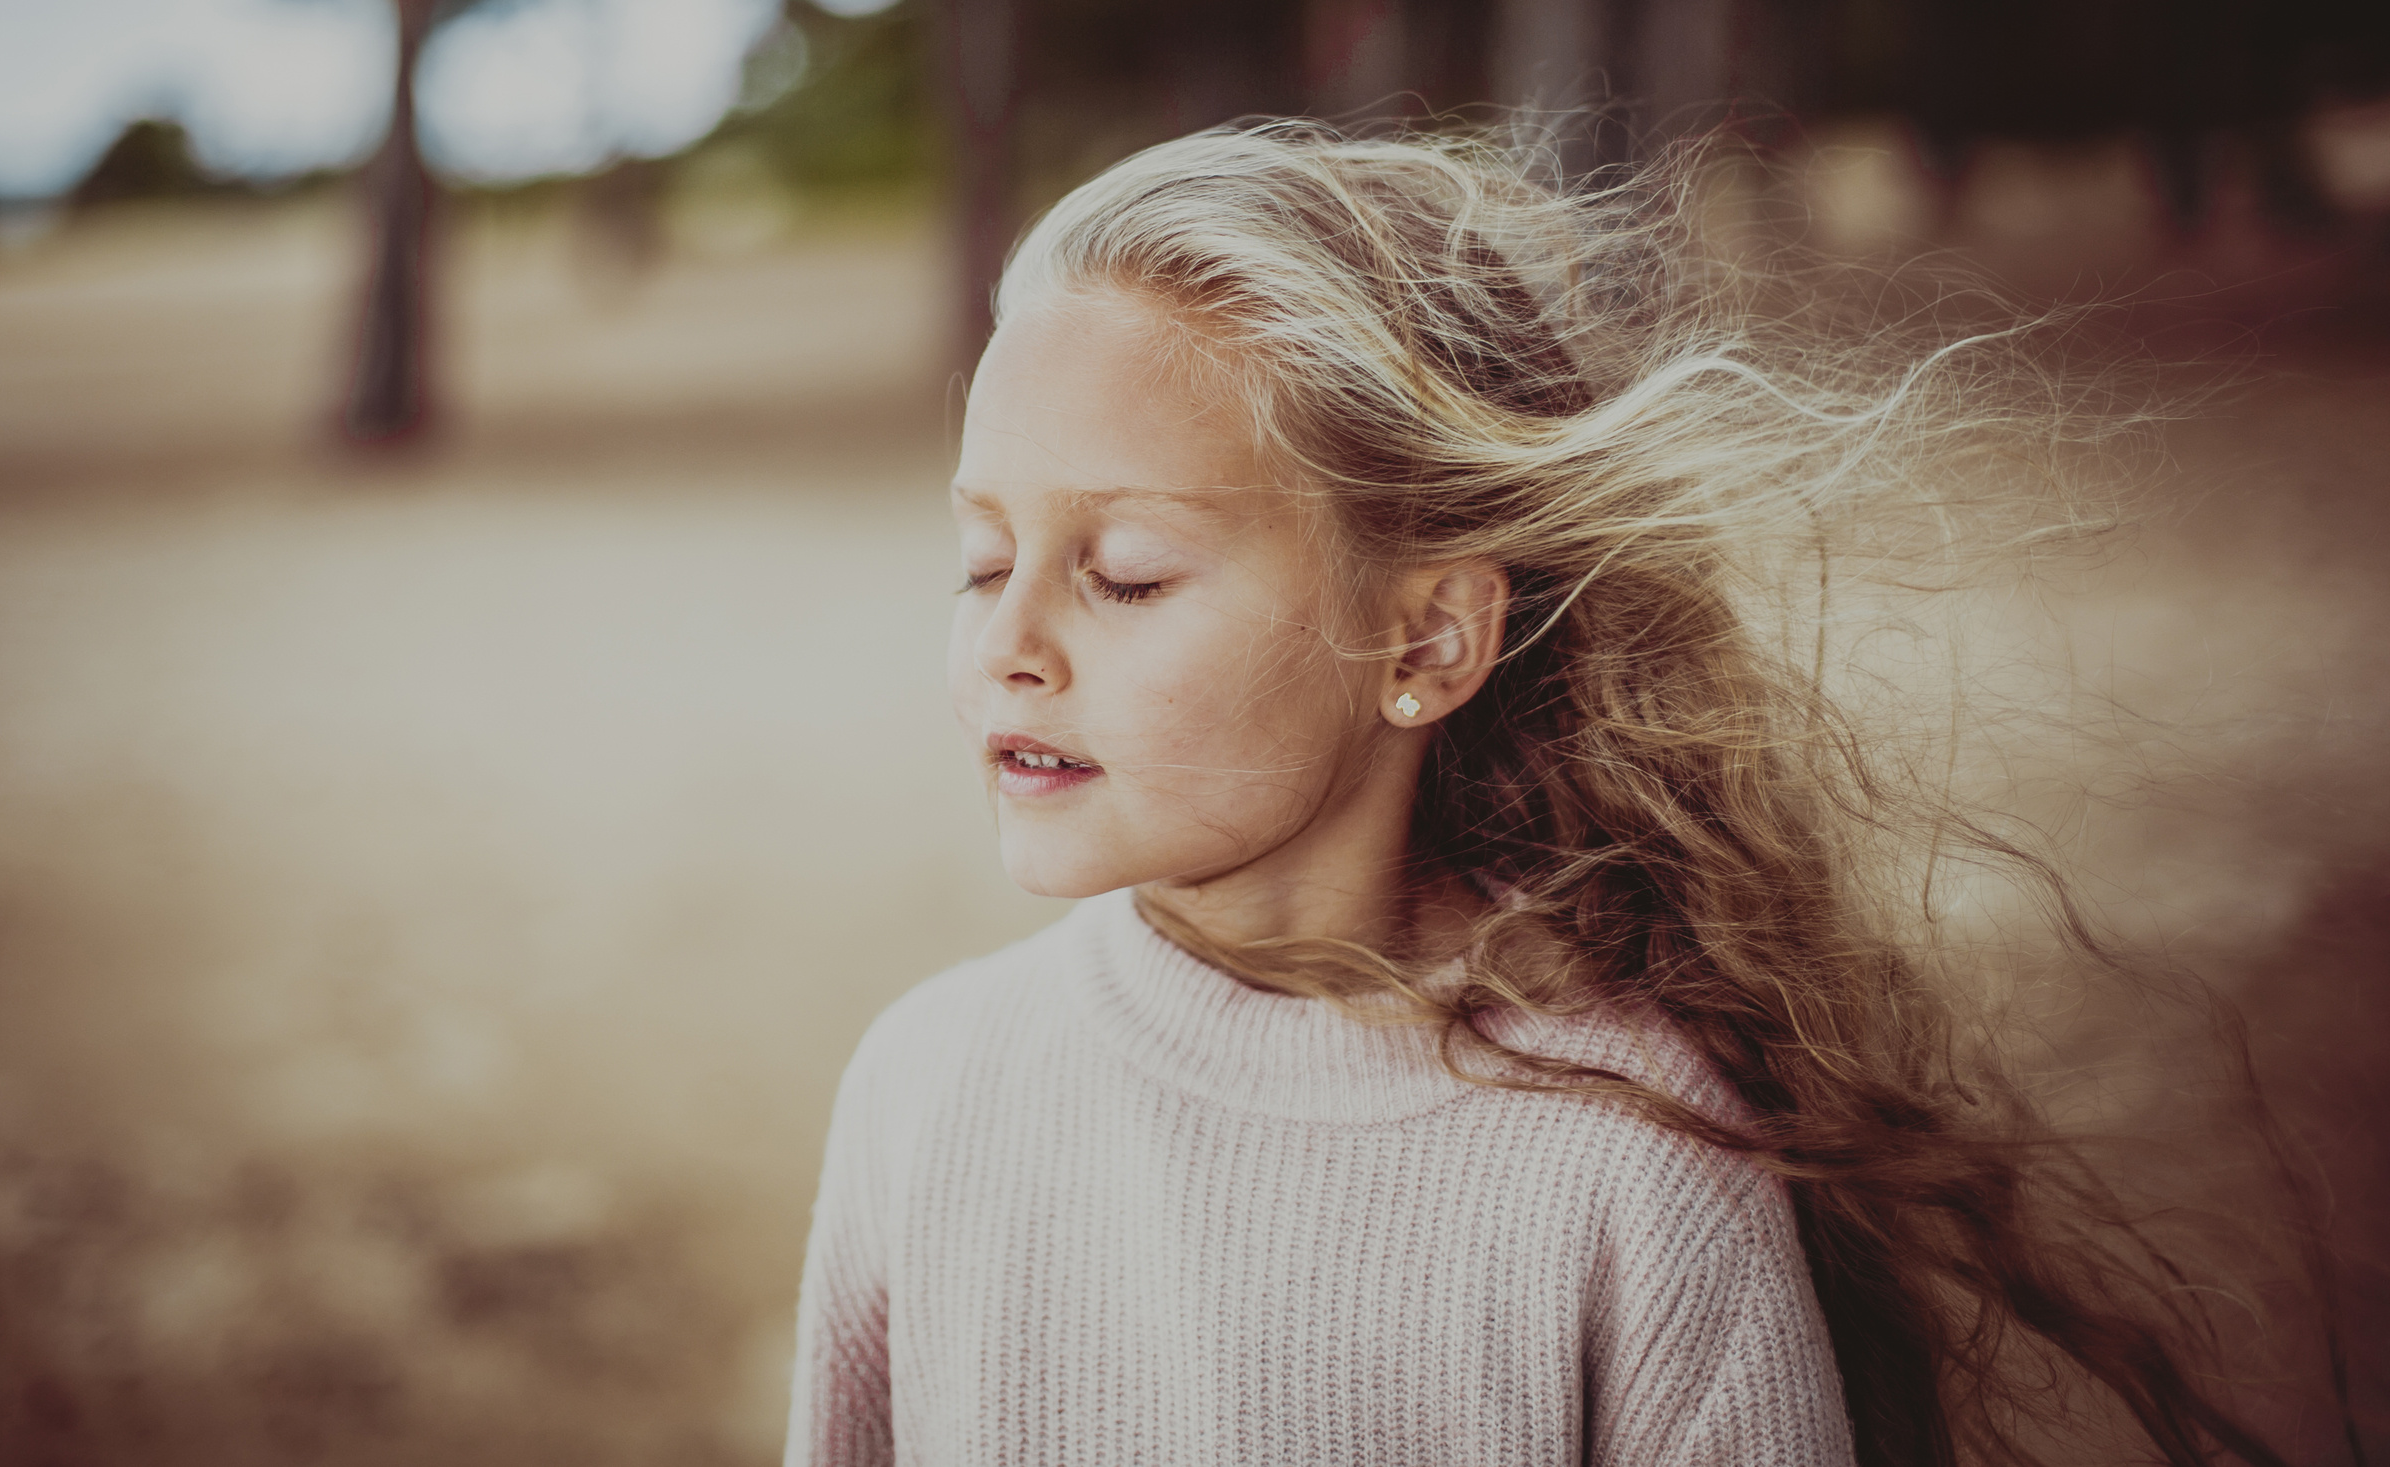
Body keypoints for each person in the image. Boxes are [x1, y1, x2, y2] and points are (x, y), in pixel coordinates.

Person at [785, 121, 2299, 1465]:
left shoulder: (1623, 1164)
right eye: (983, 559)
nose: (1004, 644)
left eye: (1124, 575)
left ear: (1429, 637)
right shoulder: (929, 1087)